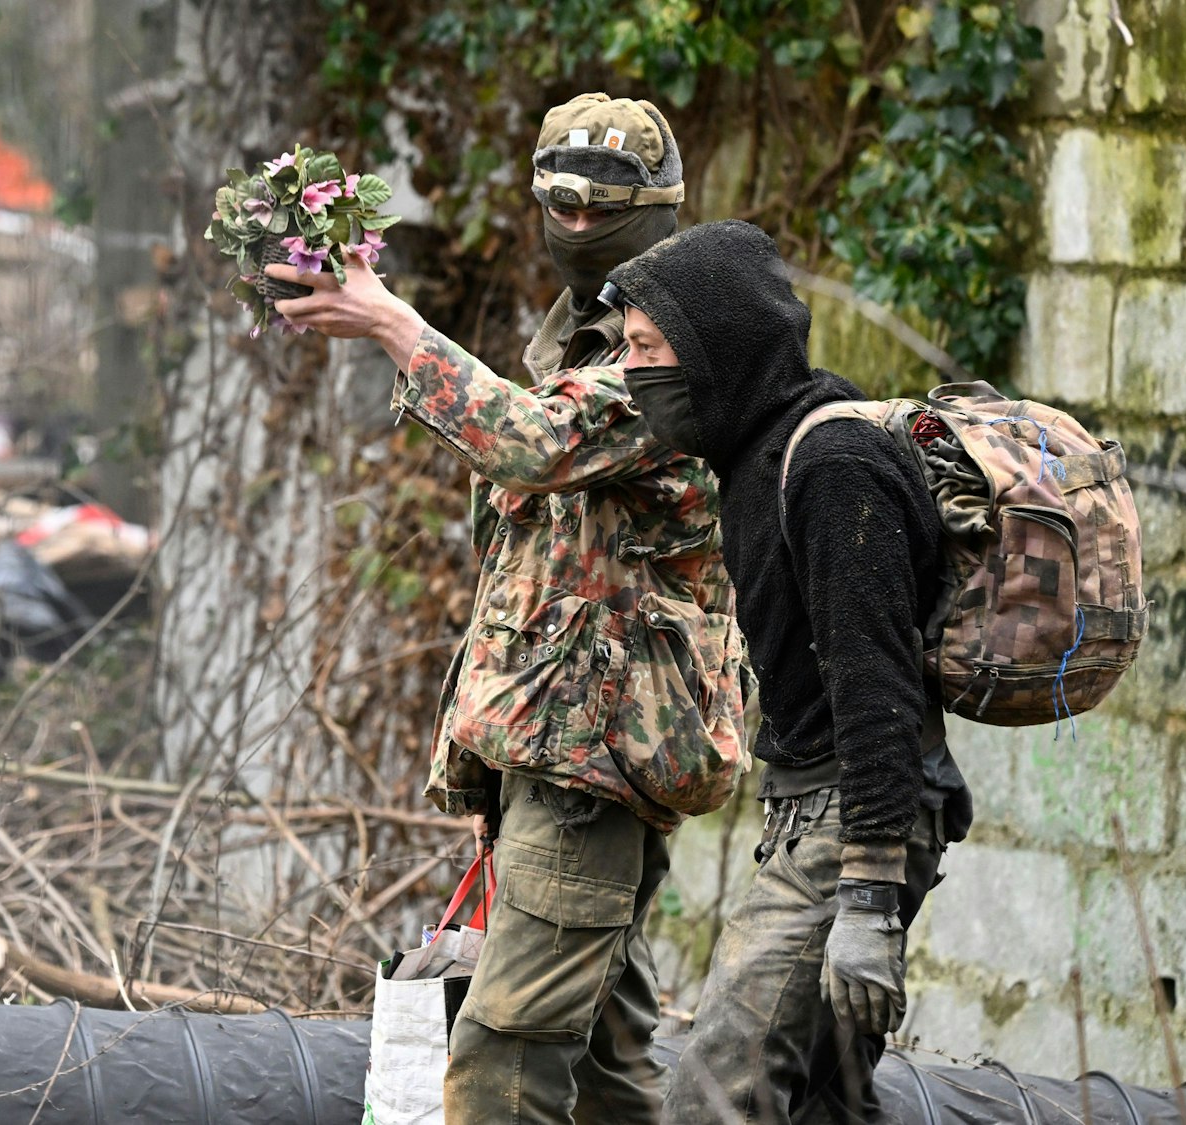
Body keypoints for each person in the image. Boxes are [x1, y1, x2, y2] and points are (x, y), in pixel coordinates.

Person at [267, 95, 753, 1124]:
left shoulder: (676, 355)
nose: (575, 227)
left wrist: (390, 323)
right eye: (556, 206)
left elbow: (535, 444)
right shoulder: (585, 340)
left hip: (592, 757)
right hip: (562, 743)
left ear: (660, 213)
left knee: (502, 1055)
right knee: (605, 1066)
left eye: (601, 210)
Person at [602, 220, 975, 1124]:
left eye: (647, 348)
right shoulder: (755, 457)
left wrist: (867, 899)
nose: (627, 371)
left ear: (714, 348)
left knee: (714, 1094)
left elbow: (880, 693)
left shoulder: (831, 467)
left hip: (856, 819)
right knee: (821, 1108)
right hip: (818, 811)